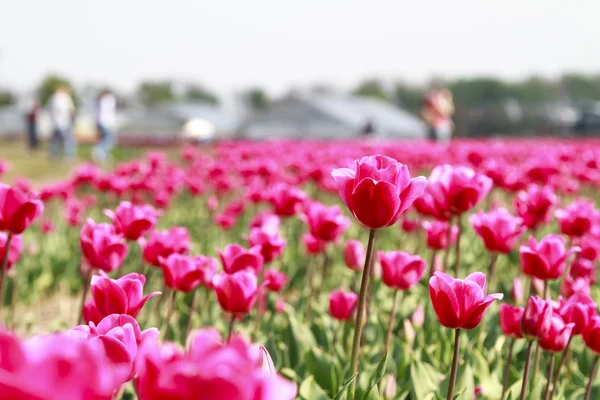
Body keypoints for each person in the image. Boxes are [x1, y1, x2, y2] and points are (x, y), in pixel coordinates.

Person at [49, 85, 76, 159]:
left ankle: (54, 156)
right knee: (69, 140)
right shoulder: (66, 98)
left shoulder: (53, 98)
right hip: (65, 122)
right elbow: (71, 111)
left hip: (55, 123)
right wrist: (73, 121)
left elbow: (50, 110)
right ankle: (68, 156)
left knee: (55, 141)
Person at [92, 89, 117, 164]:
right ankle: (98, 152)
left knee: (103, 140)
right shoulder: (109, 98)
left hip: (99, 122)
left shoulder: (98, 99)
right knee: (110, 141)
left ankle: (102, 156)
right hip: (107, 122)